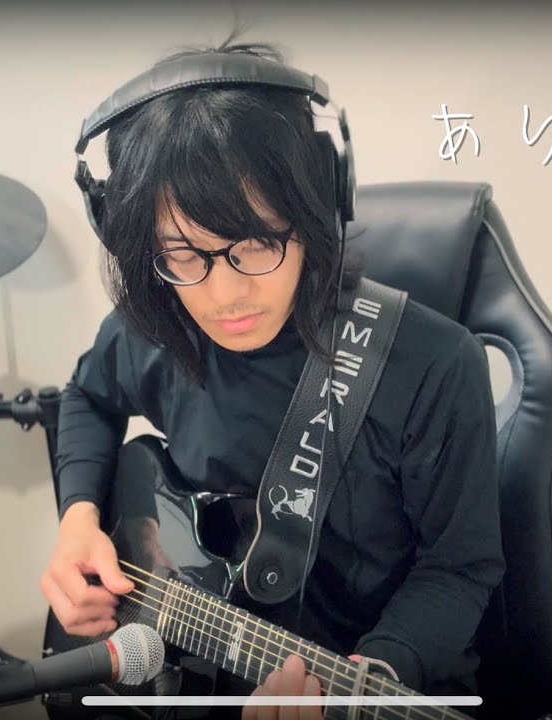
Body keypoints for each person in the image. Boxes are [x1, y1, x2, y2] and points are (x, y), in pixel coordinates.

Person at [40, 36, 504, 719]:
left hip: (359, 669)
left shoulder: (433, 364)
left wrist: (377, 670)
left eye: (257, 243)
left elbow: (460, 569)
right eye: (183, 254)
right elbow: (86, 396)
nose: (224, 294)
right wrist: (78, 518)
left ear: (316, 206)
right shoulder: (158, 324)